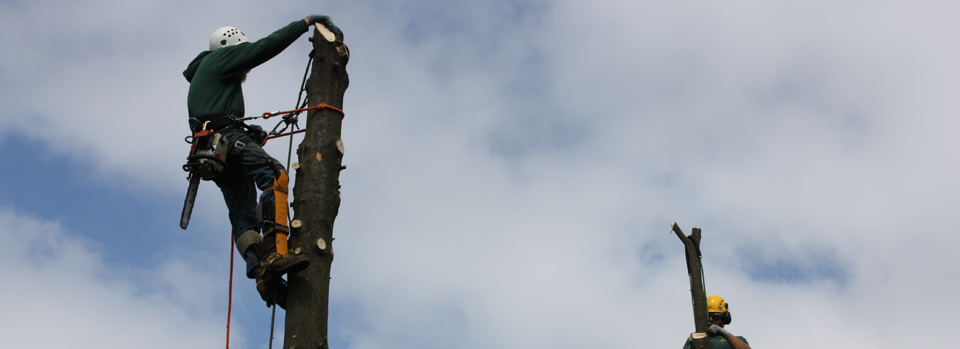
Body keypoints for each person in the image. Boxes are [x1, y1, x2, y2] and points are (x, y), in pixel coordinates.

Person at [182, 15, 341, 308]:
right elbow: (266, 47)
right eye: (244, 56)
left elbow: (216, 114)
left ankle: (262, 276)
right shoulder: (220, 59)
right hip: (223, 138)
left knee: (243, 213)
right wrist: (303, 23)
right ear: (231, 48)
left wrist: (249, 132)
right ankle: (275, 253)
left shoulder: (208, 75)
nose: (248, 67)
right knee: (274, 174)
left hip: (213, 149)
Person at [682, 295, 752, 349]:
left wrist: (725, 333)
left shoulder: (737, 340)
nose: (711, 319)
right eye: (708, 316)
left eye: (716, 316)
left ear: (724, 318)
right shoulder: (694, 341)